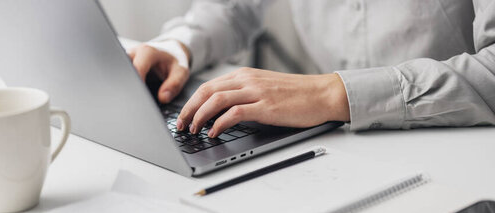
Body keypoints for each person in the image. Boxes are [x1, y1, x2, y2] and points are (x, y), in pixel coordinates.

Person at [128, 0, 495, 138]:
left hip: (460, 143)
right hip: (332, 143)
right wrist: (178, 46)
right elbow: (233, 7)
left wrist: (331, 93)